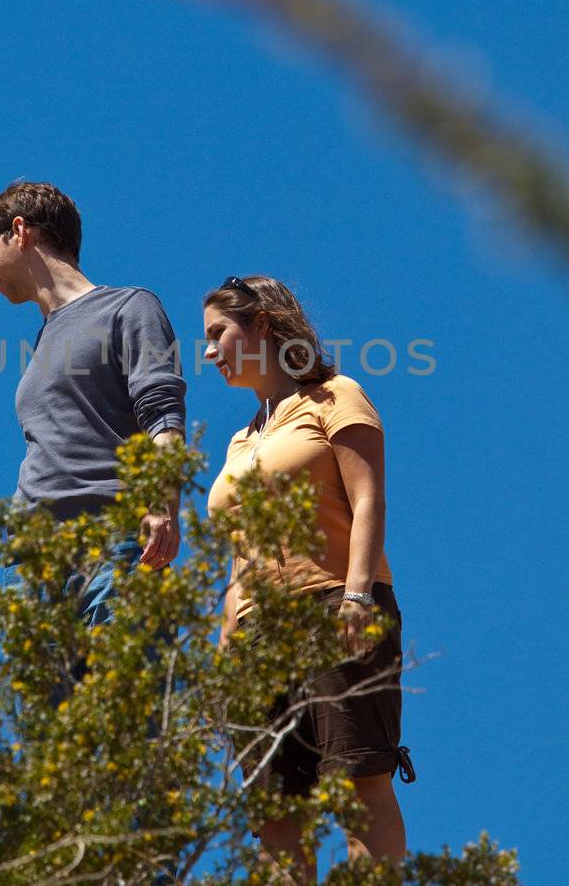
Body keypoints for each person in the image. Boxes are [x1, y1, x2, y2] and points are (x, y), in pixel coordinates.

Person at [203, 274, 410, 879]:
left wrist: (357, 595)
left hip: (331, 608)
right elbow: (238, 559)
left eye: (219, 333)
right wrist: (223, 663)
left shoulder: (334, 396)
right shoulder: (239, 442)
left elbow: (369, 500)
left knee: (356, 783)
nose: (209, 352)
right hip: (254, 643)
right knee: (274, 814)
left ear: (262, 324)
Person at [0, 180, 185, 623]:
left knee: (124, 689)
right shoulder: (44, 339)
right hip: (31, 564)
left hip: (111, 541)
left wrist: (163, 505)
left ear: (21, 230)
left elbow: (163, 414)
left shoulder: (128, 307)